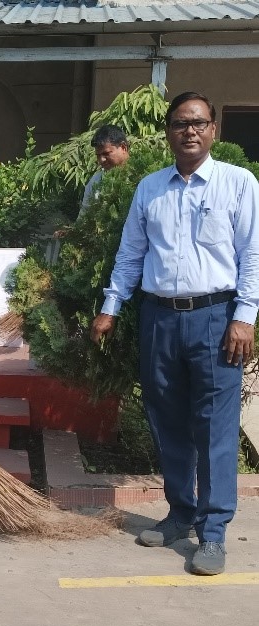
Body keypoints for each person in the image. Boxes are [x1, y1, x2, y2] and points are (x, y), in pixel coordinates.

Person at [90, 92, 259, 576]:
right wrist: (111, 306)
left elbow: (253, 255)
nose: (190, 131)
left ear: (213, 131)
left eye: (199, 123)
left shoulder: (238, 183)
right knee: (166, 421)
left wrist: (244, 316)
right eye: (181, 123)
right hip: (159, 318)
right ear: (167, 132)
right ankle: (180, 513)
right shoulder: (150, 188)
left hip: (215, 317)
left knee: (215, 428)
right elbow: (131, 253)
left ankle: (213, 531)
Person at [80, 124, 131, 212]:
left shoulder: (144, 178)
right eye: (98, 155)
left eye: (106, 153)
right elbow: (84, 219)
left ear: (123, 148)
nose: (101, 160)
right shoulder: (96, 181)